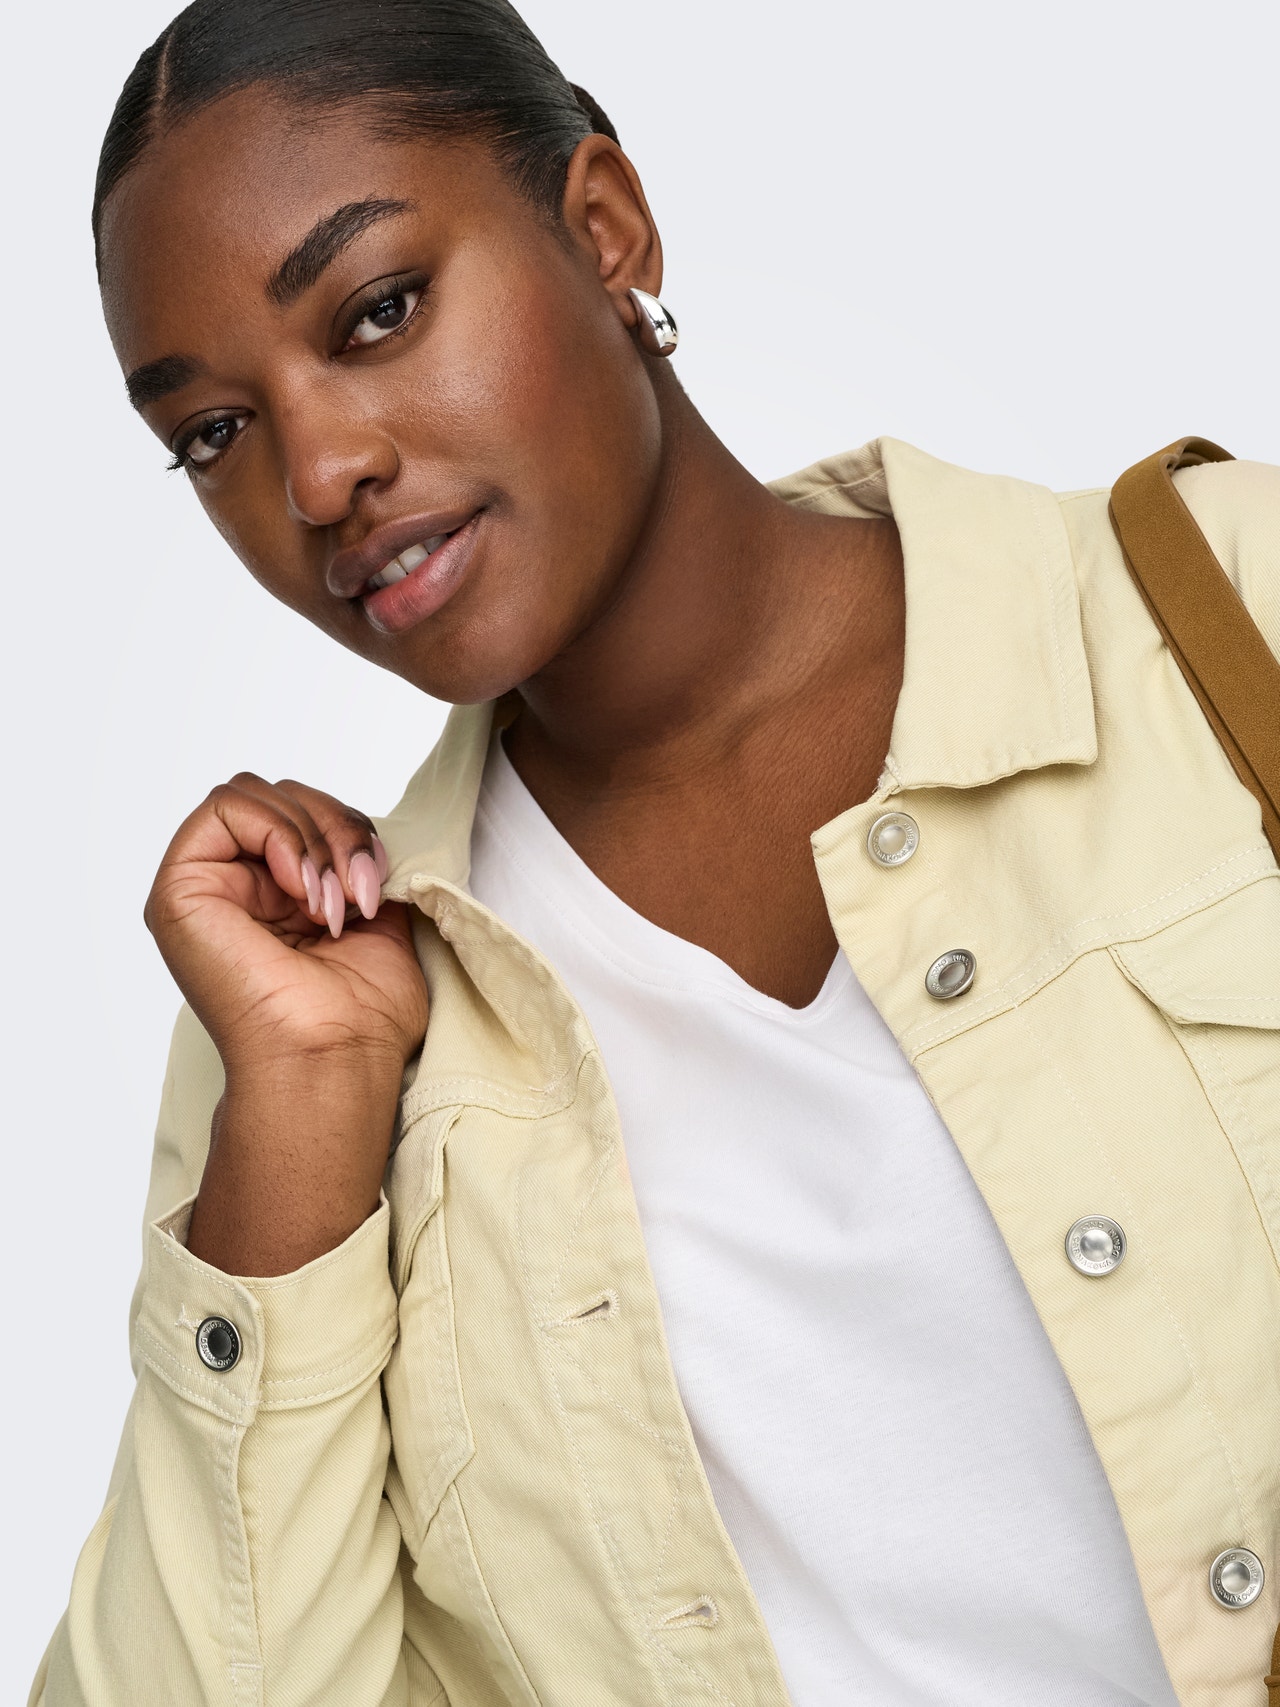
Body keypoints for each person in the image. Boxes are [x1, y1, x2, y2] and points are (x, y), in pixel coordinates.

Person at [30, 0, 1280, 1702]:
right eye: (213, 433)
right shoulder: (319, 1026)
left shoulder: (1224, 616)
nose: (319, 474)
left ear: (606, 231)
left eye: (379, 310)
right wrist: (307, 1108)